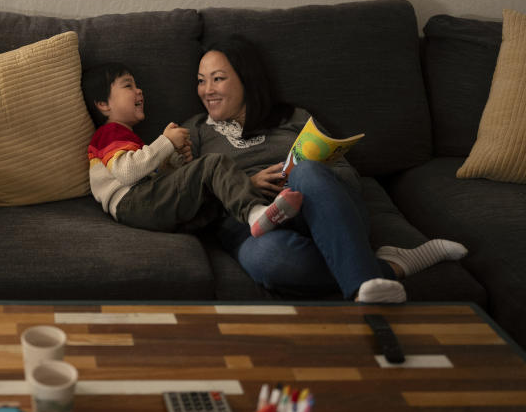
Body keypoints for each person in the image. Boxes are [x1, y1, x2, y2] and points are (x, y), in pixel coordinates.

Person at [184, 35, 468, 303]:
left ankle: (360, 286)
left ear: (247, 79)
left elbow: (348, 178)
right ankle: (393, 266)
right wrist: (245, 186)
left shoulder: (293, 118)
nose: (207, 90)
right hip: (252, 227)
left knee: (307, 171)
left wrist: (301, 176)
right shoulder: (194, 132)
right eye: (201, 81)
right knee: (271, 260)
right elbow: (187, 198)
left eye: (217, 79)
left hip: (324, 211)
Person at [82, 62, 302, 234]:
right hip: (131, 203)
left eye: (137, 85)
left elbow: (150, 175)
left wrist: (175, 161)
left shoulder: (129, 138)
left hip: (144, 205)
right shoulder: (109, 133)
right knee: (213, 163)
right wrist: (165, 142)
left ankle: (262, 213)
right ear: (103, 104)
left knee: (209, 201)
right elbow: (128, 173)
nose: (139, 91)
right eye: (128, 85)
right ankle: (254, 213)